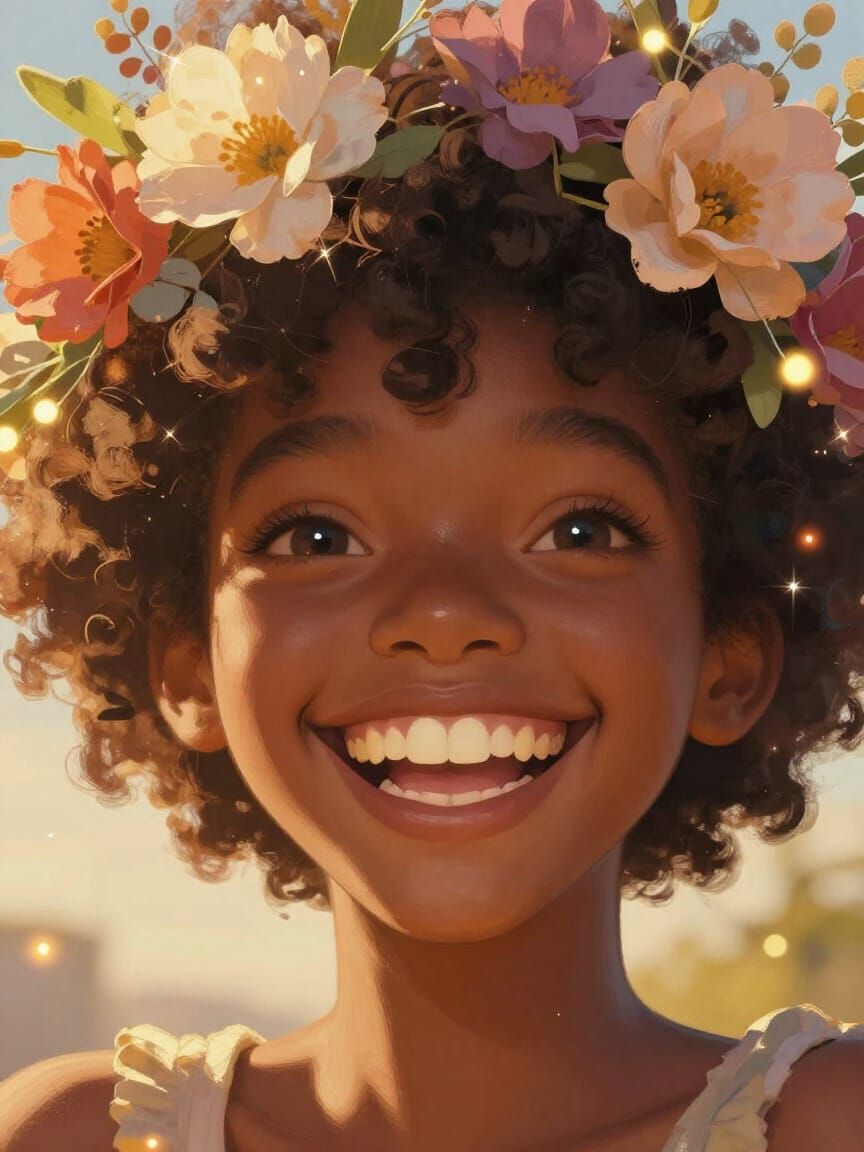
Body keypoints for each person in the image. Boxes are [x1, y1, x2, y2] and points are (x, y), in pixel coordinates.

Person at [0, 0, 863, 1149]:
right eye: (314, 538)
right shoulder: (75, 1137)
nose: (444, 615)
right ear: (185, 663)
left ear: (732, 654)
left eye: (578, 531)